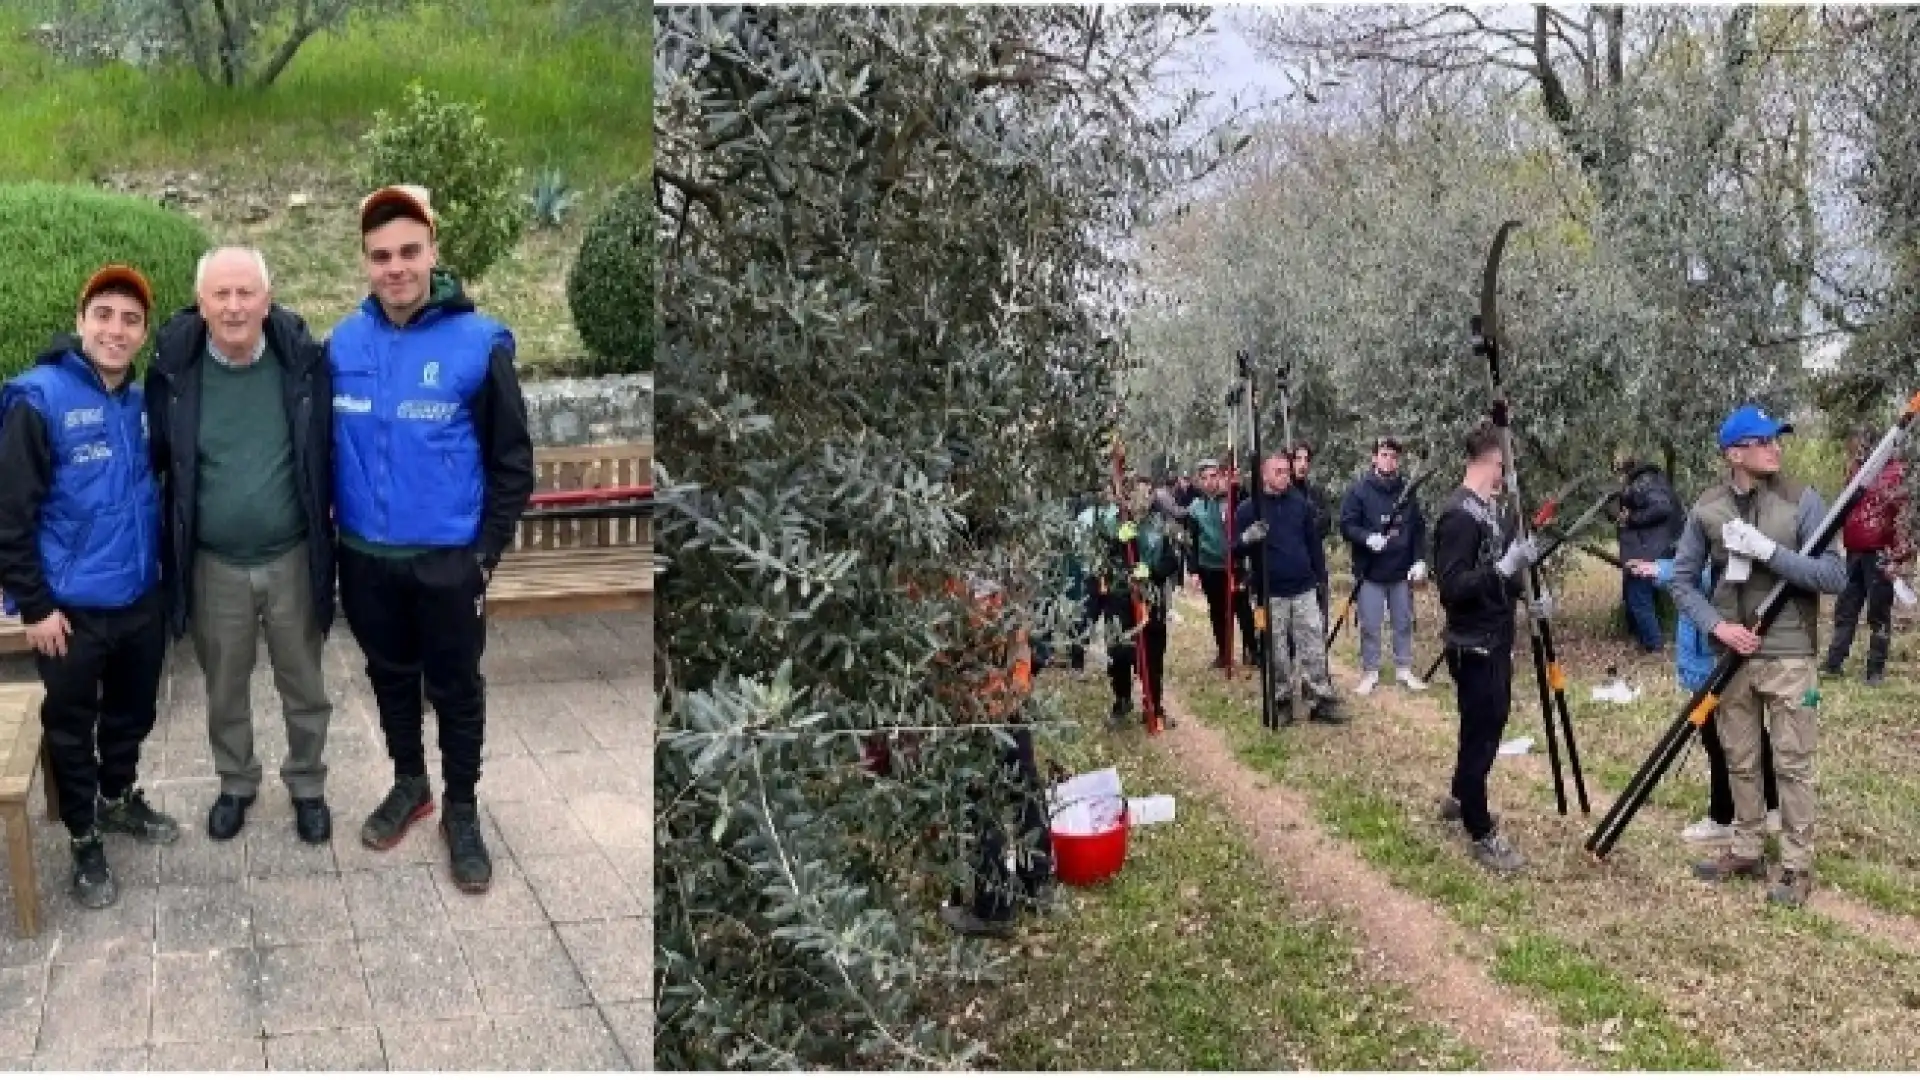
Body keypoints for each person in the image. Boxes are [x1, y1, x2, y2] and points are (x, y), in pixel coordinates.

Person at [329, 184, 536, 892]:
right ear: (364, 262)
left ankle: (463, 808)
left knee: (456, 688)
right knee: (389, 678)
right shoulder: (343, 344)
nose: (395, 267)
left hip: (449, 560)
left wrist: (483, 557)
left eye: (408, 251)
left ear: (433, 252)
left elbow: (513, 462)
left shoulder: (480, 344)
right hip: (365, 558)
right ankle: (410, 783)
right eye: (381, 255)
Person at [0, 264, 179, 908]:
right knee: (72, 728)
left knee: (133, 713)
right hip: (68, 612)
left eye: (130, 320)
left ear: (142, 334)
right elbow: (9, 514)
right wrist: (36, 604)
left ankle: (118, 798)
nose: (116, 329)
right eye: (103, 314)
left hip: (138, 599)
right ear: (81, 323)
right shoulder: (38, 398)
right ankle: (83, 836)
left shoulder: (144, 399)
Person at [148, 247, 336, 844]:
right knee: (224, 686)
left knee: (304, 683)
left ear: (267, 298)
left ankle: (307, 783)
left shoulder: (301, 365)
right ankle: (236, 781)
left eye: (245, 293)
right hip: (214, 565)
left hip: (290, 558)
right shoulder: (174, 376)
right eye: (220, 295)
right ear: (200, 303)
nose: (233, 306)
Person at [1667, 404, 1847, 907]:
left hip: (1789, 654)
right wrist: (1717, 625)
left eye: (1776, 440)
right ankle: (1746, 850)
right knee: (1739, 759)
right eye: (1764, 441)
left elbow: (1833, 576)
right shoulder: (1706, 507)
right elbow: (1682, 582)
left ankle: (1795, 865)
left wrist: (1770, 552)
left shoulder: (1804, 501)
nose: (1776, 448)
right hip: (1732, 655)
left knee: (1792, 763)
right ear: (1735, 454)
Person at [1431, 421, 1545, 873]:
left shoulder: (1491, 511)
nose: (1508, 472)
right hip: (1471, 643)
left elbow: (1501, 573)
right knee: (1482, 734)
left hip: (1497, 637)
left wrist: (1526, 593)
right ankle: (1480, 829)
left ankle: (1460, 796)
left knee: (1487, 724)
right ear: (1493, 461)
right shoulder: (1459, 515)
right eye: (1506, 463)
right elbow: (1453, 587)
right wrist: (1502, 570)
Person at [1627, 555, 1781, 845]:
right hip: (1701, 659)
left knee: (1723, 739)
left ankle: (1725, 818)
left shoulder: (1725, 530)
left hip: (1714, 657)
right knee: (1738, 735)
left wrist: (1661, 570)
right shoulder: (1707, 524)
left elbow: (1707, 575)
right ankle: (1770, 807)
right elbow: (1691, 564)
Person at [1236, 453, 1348, 725]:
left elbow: (1312, 543)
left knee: (1313, 646)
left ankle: (1319, 699)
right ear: (1264, 474)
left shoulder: (1300, 504)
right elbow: (1233, 549)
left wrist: (1321, 577)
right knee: (1276, 651)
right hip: (1270, 592)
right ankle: (1282, 700)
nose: (1285, 476)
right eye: (1278, 471)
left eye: (1287, 471)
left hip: (1304, 587)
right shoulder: (1249, 509)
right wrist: (1247, 538)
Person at [1339, 436, 1428, 694]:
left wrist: (1419, 559)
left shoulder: (1406, 492)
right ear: (1374, 457)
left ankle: (1403, 668)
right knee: (1370, 623)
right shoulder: (1359, 491)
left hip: (1401, 571)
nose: (1389, 460)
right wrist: (1367, 538)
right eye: (1384, 454)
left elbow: (1417, 529)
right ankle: (1370, 671)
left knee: (1403, 621)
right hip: (1371, 571)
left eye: (1393, 456)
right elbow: (1347, 525)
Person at [1090, 478, 1182, 729]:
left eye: (1147, 493)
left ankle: (1154, 706)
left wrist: (1151, 570)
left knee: (1153, 656)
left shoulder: (1161, 524)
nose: (1142, 498)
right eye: (1134, 493)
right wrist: (1116, 542)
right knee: (1119, 652)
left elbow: (1173, 561)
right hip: (1120, 598)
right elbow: (1097, 562)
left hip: (1151, 598)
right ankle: (1121, 701)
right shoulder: (1110, 524)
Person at [1824, 428, 1910, 684]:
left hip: (1881, 553)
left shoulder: (1898, 473)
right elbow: (1845, 508)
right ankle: (1833, 663)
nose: (1864, 449)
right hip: (1853, 552)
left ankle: (1875, 670)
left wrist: (1899, 557)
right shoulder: (1856, 471)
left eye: (1869, 444)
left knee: (1878, 612)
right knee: (1846, 608)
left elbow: (1905, 518)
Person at [1615, 456, 1683, 653]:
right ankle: (1647, 642)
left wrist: (1632, 519)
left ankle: (1653, 646)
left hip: (1648, 550)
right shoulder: (1655, 480)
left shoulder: (1643, 483)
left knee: (1638, 597)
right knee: (1639, 597)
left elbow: (1662, 508)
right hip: (1655, 547)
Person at [1184, 460, 1237, 668]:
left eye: (1213, 476)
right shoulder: (1195, 508)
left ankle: (1252, 650)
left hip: (1231, 565)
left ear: (1220, 477)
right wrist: (1194, 570)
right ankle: (1223, 652)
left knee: (1236, 608)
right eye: (1204, 478)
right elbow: (1191, 541)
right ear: (1199, 481)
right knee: (1216, 610)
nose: (1209, 482)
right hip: (1209, 566)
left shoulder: (1231, 500)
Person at [1292, 442, 1336, 622]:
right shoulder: (1281, 495)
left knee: (1318, 624)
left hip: (1315, 568)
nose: (1303, 464)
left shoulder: (1316, 493)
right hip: (1290, 573)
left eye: (1306, 459)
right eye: (1298, 459)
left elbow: (1325, 524)